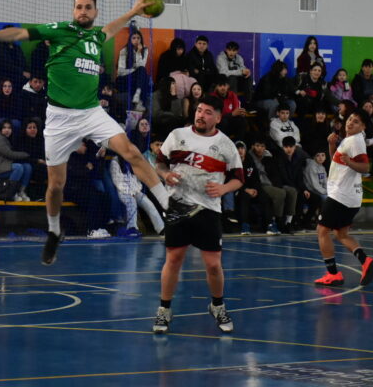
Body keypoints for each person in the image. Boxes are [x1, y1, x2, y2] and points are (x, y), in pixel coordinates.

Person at [0, 0, 185, 266]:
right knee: (55, 186)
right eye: (78, 7)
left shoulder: (96, 37)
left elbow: (111, 28)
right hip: (59, 118)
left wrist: (133, 13)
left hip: (91, 112)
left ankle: (170, 206)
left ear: (95, 12)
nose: (82, 11)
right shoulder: (61, 30)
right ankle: (53, 230)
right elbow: (21, 34)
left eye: (88, 7)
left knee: (131, 151)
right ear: (73, 11)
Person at [153, 96, 243, 334]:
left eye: (207, 112)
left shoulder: (226, 145)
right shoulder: (177, 136)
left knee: (213, 265)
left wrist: (224, 189)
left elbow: (239, 179)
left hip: (208, 210)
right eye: (199, 110)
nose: (201, 115)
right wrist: (165, 176)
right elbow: (159, 163)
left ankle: (217, 305)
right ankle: (164, 310)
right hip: (178, 207)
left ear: (218, 117)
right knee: (174, 259)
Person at [313, 110, 373, 287]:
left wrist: (350, 162)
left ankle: (333, 274)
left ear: (363, 127)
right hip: (351, 197)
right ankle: (366, 262)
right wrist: (332, 146)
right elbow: (338, 163)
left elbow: (365, 167)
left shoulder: (356, 141)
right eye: (350, 119)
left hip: (340, 196)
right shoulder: (349, 141)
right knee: (341, 234)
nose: (350, 123)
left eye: (356, 122)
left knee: (322, 231)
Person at [250, 137, 298, 234]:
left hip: (273, 183)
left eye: (262, 146)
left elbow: (275, 173)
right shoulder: (249, 158)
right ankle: (277, 222)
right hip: (262, 185)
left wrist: (278, 184)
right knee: (280, 193)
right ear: (253, 146)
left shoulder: (269, 156)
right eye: (257, 146)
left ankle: (288, 222)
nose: (260, 148)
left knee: (292, 191)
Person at [110, 153, 165, 236]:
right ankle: (132, 228)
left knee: (148, 203)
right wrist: (130, 192)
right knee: (131, 202)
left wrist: (136, 190)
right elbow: (117, 181)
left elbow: (137, 180)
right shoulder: (115, 161)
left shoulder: (132, 161)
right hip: (123, 192)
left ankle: (161, 228)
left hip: (135, 191)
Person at [0, 120, 33, 201]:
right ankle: (11, 193)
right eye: (4, 128)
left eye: (9, 128)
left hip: (3, 166)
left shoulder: (8, 139)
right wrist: (27, 154)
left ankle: (21, 192)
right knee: (18, 168)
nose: (7, 130)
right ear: (0, 129)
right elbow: (10, 154)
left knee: (27, 167)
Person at [234, 140, 273, 235]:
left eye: (242, 148)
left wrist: (255, 189)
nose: (240, 150)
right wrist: (246, 189)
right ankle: (245, 225)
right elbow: (232, 180)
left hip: (252, 189)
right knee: (245, 197)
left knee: (265, 198)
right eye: (238, 148)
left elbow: (256, 178)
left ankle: (269, 225)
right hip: (238, 190)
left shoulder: (250, 160)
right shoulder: (232, 163)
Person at [280, 136, 319, 230]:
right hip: (284, 186)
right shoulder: (280, 159)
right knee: (299, 196)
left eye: (291, 147)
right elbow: (284, 178)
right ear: (283, 147)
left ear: (295, 147)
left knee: (316, 199)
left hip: (297, 187)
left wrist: (304, 189)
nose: (289, 149)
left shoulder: (298, 159)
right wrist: (299, 190)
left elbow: (299, 178)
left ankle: (306, 221)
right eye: (286, 147)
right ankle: (294, 222)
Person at [116, 26, 151, 111]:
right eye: (134, 38)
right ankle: (139, 102)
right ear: (130, 39)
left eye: (138, 38)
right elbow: (120, 71)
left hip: (136, 78)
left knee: (143, 71)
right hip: (123, 79)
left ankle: (137, 94)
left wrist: (139, 52)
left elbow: (141, 65)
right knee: (143, 74)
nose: (136, 40)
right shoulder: (124, 51)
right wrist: (133, 70)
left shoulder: (145, 50)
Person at [211, 74, 246, 139]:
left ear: (228, 86)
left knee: (242, 120)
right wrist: (231, 114)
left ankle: (239, 143)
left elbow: (236, 111)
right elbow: (216, 116)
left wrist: (241, 113)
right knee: (223, 121)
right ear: (216, 87)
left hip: (230, 122)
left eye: (224, 85)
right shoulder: (213, 97)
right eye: (220, 85)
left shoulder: (232, 95)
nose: (223, 88)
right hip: (218, 124)